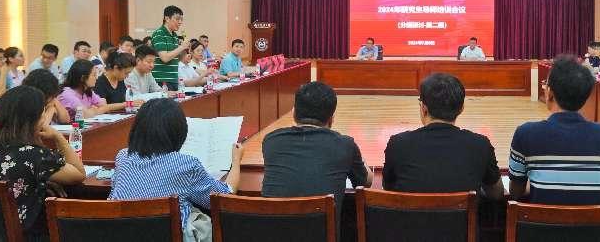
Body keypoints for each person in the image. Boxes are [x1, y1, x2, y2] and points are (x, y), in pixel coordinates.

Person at [110, 98, 242, 242]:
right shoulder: (185, 165)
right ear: (178, 132)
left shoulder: (122, 157)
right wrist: (236, 160)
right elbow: (224, 197)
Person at [0, 85, 85, 240]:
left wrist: (39, 182)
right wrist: (58, 138)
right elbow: (79, 173)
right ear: (34, 120)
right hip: (20, 236)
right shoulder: (35, 155)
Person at [509, 57, 600, 204]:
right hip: (595, 219)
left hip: (542, 219)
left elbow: (516, 192)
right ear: (586, 96)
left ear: (549, 93)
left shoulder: (526, 134)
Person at [262, 81, 372, 229]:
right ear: (331, 118)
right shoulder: (345, 145)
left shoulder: (271, 141)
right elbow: (366, 182)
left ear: (294, 113)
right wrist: (360, 159)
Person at [383, 73, 502, 197]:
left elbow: (388, 188)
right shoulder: (480, 144)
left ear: (424, 108)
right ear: (461, 108)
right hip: (462, 211)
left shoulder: (398, 143)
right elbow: (496, 193)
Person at [58, 59, 125, 120]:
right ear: (83, 78)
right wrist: (93, 110)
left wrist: (92, 110)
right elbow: (85, 114)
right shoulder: (67, 93)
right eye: (94, 75)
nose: (96, 78)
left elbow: (105, 106)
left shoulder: (87, 91)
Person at [151, 6, 192, 91]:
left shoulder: (174, 35)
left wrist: (185, 51)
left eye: (181, 19)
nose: (180, 22)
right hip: (162, 79)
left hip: (173, 78)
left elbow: (175, 59)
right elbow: (165, 58)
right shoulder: (159, 34)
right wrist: (181, 47)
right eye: (177, 19)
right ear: (167, 18)